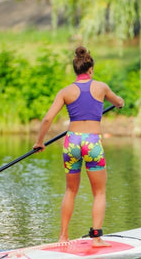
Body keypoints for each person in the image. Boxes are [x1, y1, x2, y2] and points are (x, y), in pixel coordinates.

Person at [33, 46, 124, 247]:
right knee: (99, 192)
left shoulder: (65, 91)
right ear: (90, 69)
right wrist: (120, 103)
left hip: (71, 141)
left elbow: (48, 118)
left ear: (76, 70)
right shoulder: (101, 87)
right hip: (92, 142)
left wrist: (39, 142)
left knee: (70, 191)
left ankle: (63, 237)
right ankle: (97, 238)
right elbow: (118, 101)